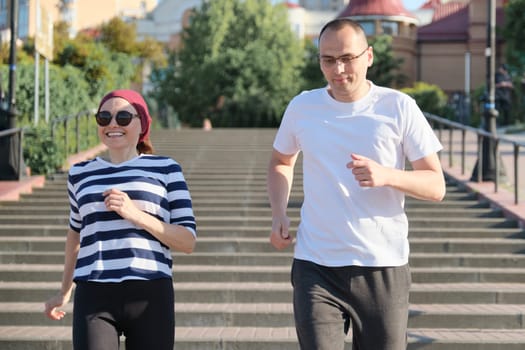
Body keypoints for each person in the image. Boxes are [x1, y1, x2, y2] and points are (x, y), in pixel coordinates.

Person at [267, 18, 446, 350]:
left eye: (347, 58)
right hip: (316, 265)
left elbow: (436, 185)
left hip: (383, 266)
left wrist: (388, 175)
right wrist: (279, 212)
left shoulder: (398, 107)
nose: (338, 69)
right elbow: (281, 161)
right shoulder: (303, 107)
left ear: (369, 56)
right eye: (328, 59)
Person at [44, 89, 197, 350]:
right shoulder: (80, 173)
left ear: (142, 124)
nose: (113, 124)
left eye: (123, 116)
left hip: (150, 291)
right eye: (104, 117)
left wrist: (134, 213)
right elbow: (75, 234)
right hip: (94, 292)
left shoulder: (166, 168)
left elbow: (187, 241)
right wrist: (64, 291)